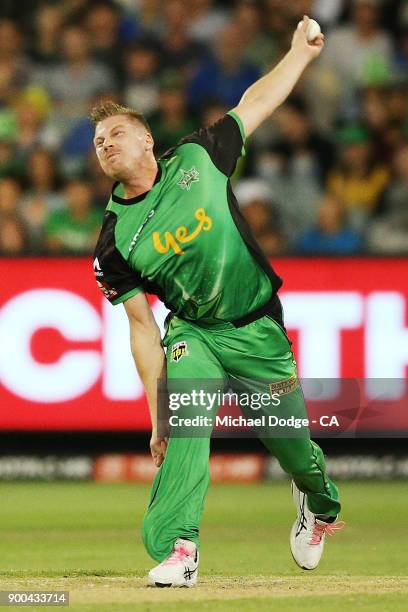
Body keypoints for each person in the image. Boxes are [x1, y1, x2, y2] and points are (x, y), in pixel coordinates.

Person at [92, 16, 344, 588]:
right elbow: (140, 328)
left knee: (296, 450)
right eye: (99, 143)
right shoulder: (114, 240)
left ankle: (319, 504)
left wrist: (299, 55)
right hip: (194, 333)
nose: (106, 146)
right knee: (186, 425)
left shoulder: (198, 158)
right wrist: (158, 413)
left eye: (117, 135)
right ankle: (182, 548)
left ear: (148, 139)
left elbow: (256, 101)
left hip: (257, 329)